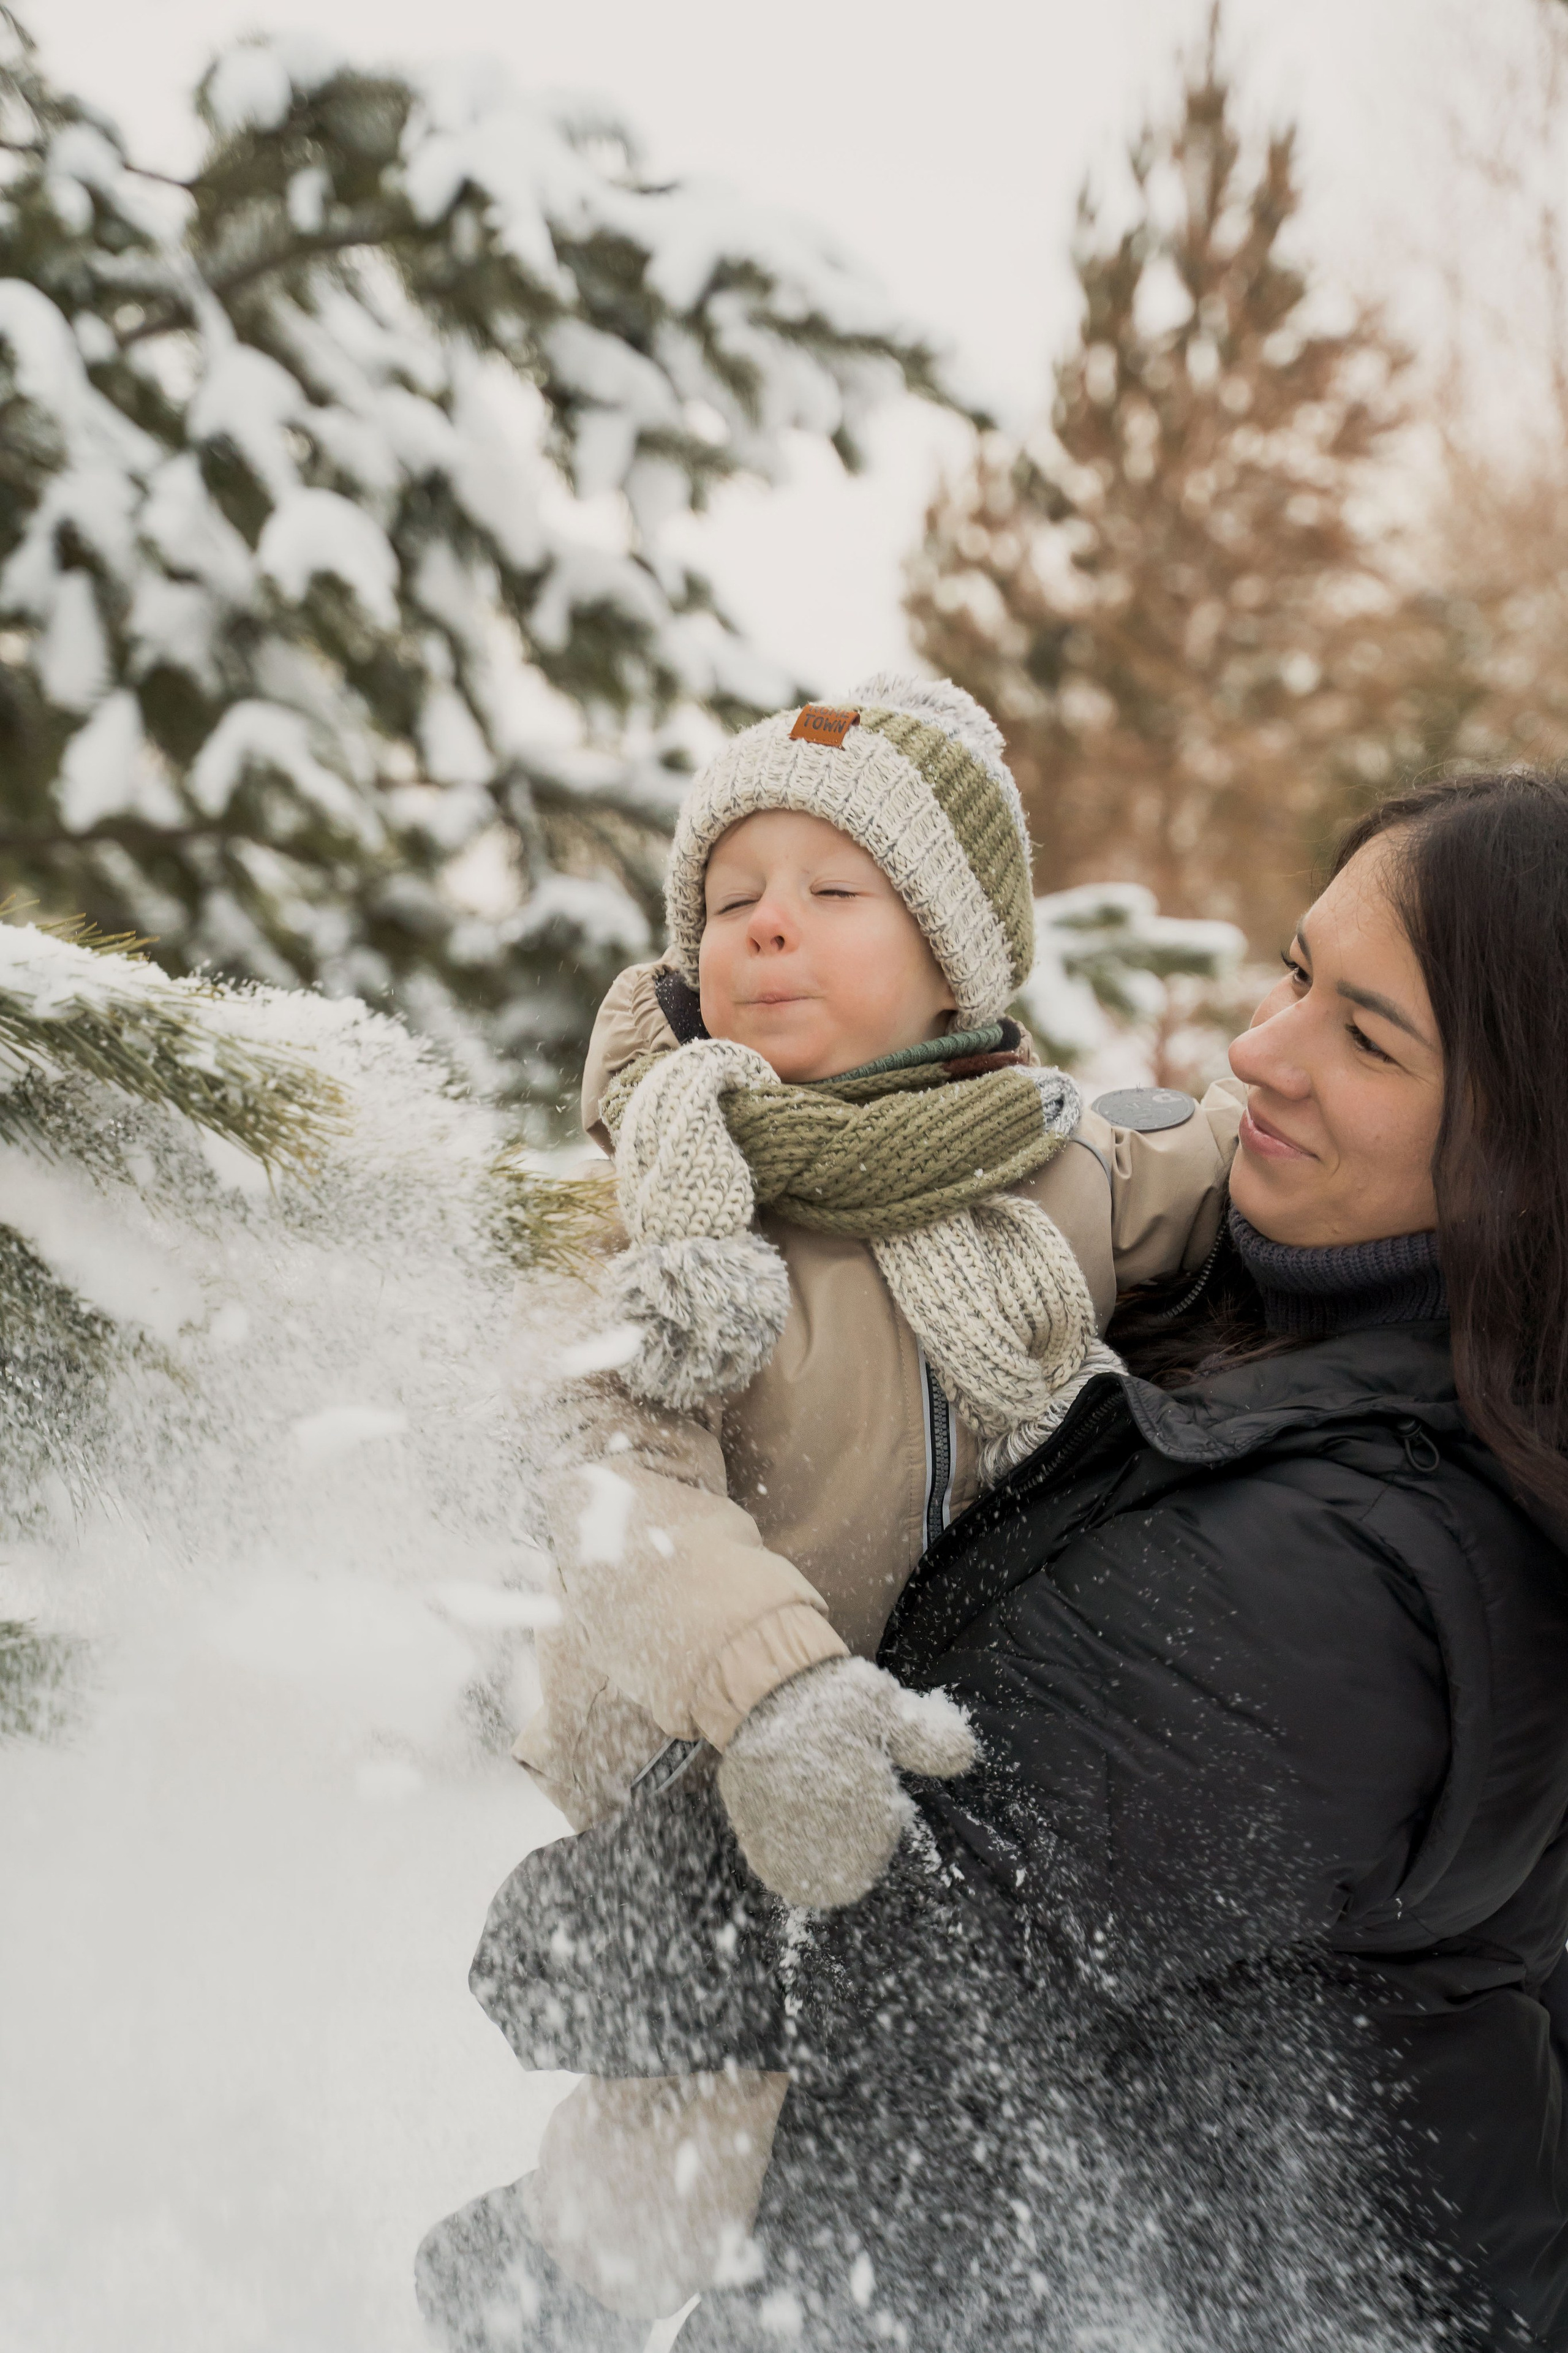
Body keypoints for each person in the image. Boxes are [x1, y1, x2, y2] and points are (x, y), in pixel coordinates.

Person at [445, 769, 1568, 2351]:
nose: (1263, 1049)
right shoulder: (1255, 1302)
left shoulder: (1363, 1576)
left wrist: (556, 1939)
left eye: (1367, 1036)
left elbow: (826, 1919)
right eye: (1300, 972)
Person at [418, 677, 1245, 2341]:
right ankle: (533, 2285)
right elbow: (617, 1483)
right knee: (709, 2123)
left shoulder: (1052, 1161)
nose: (767, 928)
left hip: (947, 1745)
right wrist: (774, 1689)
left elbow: (1234, 1177)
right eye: (732, 900)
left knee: (926, 2112)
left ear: (956, 957)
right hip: (708, 1749)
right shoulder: (671, 1222)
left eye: (832, 891)